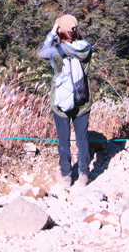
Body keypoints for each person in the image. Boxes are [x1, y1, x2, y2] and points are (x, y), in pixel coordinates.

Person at [39, 14, 93, 190]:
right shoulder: (86, 49)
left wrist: (52, 34)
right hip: (82, 100)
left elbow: (42, 52)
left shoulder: (56, 51)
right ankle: (84, 174)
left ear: (60, 30)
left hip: (61, 103)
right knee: (82, 138)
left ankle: (66, 175)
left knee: (63, 139)